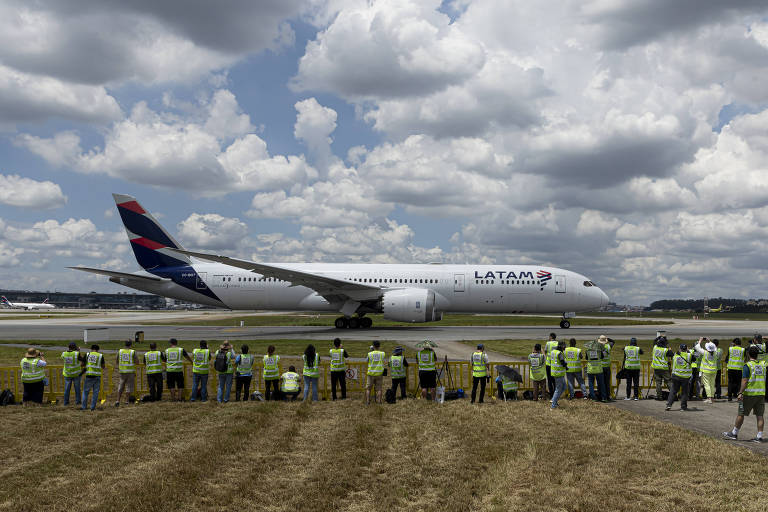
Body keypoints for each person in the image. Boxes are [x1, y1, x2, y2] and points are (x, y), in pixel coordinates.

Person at [723, 345, 765, 442]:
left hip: (749, 394)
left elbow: (745, 381)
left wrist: (740, 392)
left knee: (741, 414)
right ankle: (759, 436)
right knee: (760, 416)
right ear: (757, 355)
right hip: (761, 394)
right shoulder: (763, 364)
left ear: (748, 354)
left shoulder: (748, 365)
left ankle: (734, 433)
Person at [666, 343, 691, 412]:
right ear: (686, 349)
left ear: (679, 349)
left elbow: (669, 354)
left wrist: (670, 350)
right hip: (685, 377)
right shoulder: (689, 355)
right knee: (684, 392)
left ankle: (669, 405)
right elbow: (694, 358)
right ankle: (683, 407)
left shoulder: (675, 355)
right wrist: (688, 351)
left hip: (676, 376)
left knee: (673, 391)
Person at [82, 345, 105, 411]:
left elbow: (82, 364)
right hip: (97, 376)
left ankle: (84, 407)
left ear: (91, 349)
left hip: (89, 375)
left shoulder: (87, 354)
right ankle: (92, 407)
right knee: (95, 392)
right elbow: (103, 366)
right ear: (98, 349)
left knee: (85, 392)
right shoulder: (100, 355)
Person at [115, 340, 139, 406]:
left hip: (122, 371)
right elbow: (137, 362)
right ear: (131, 345)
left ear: (124, 344)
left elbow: (116, 361)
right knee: (129, 386)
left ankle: (117, 400)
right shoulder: (132, 352)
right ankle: (127, 401)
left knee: (121, 386)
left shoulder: (120, 351)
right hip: (130, 372)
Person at [60, 342, 84, 406]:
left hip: (67, 374)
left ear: (68, 347)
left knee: (67, 389)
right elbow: (82, 359)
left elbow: (63, 357)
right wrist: (78, 351)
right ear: (75, 347)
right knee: (77, 389)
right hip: (76, 374)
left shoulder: (64, 353)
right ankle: (78, 402)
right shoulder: (76, 353)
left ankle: (66, 402)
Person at [694, 338, 718, 404]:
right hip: (714, 371)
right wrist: (709, 341)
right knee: (712, 384)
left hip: (706, 371)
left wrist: (700, 340)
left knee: (707, 385)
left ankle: (709, 398)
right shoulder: (716, 353)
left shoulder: (705, 353)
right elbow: (714, 347)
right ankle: (712, 398)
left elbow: (697, 347)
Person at [365, 341, 385, 405]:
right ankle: (379, 401)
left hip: (371, 373)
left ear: (373, 346)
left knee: (368, 388)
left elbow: (366, 361)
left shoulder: (370, 354)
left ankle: (368, 402)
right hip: (379, 373)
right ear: (379, 346)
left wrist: (371, 351)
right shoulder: (382, 353)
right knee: (379, 388)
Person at [550, 341, 567, 409]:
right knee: (558, 389)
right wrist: (566, 365)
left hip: (557, 372)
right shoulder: (559, 353)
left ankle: (555, 400)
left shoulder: (553, 351)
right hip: (558, 373)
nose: (565, 347)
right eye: (564, 345)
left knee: (564, 387)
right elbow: (562, 362)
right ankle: (553, 405)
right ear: (561, 346)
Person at [599, 335, 614, 401]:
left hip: (600, 367)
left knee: (601, 383)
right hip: (607, 367)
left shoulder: (598, 347)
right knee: (607, 383)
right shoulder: (608, 346)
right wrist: (608, 339)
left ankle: (602, 396)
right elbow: (613, 342)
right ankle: (608, 396)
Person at [544, 333, 558, 397]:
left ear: (551, 337)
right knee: (555, 379)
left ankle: (551, 394)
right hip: (555, 364)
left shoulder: (548, 343)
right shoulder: (558, 343)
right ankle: (556, 392)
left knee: (549, 380)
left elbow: (545, 351)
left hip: (549, 364)